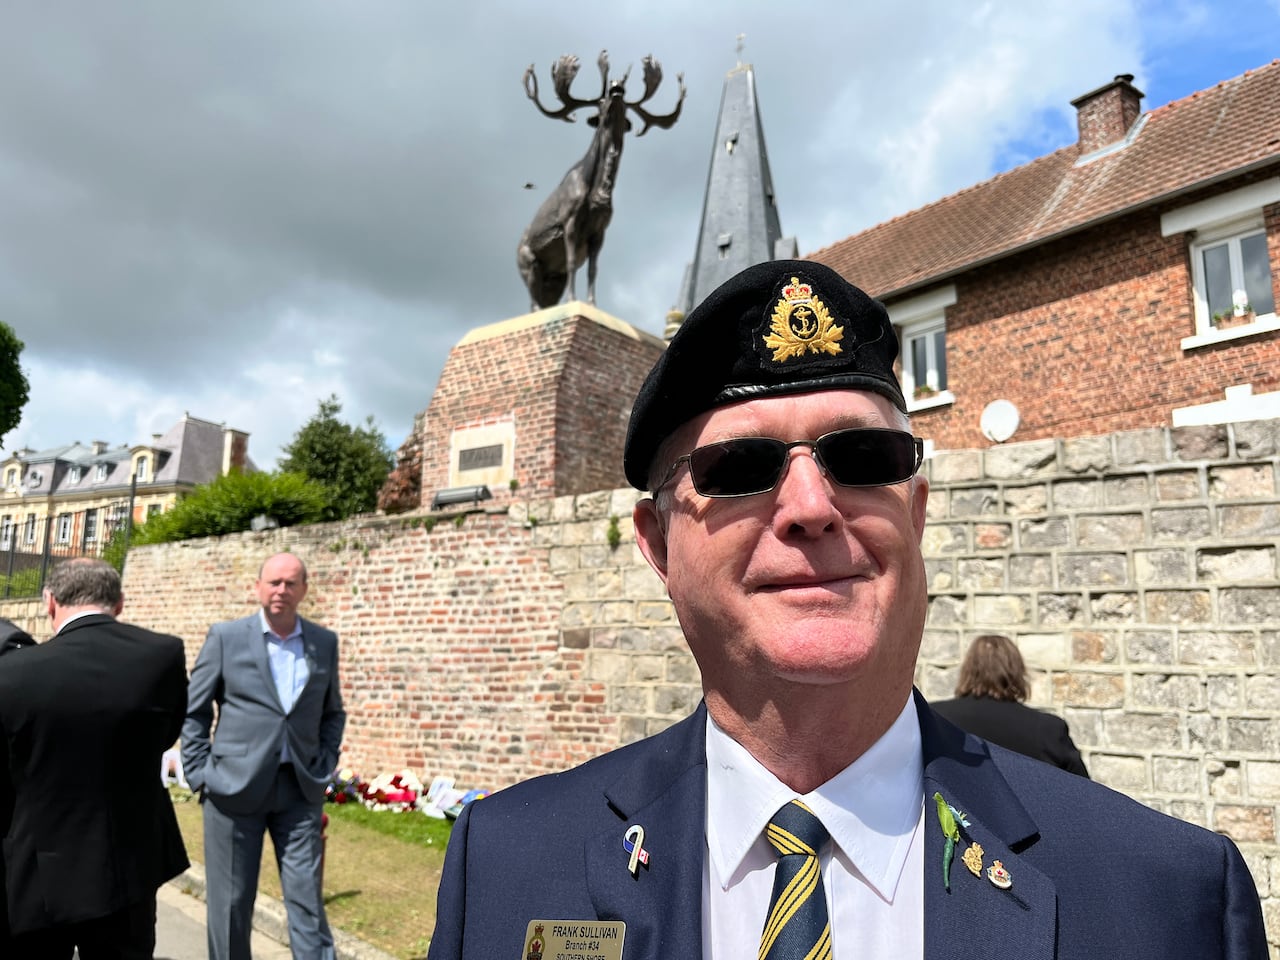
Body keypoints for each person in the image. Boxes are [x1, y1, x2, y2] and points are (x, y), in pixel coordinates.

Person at [426, 260, 1266, 959]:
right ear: (656, 541)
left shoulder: (1169, 900)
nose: (811, 505)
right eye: (741, 464)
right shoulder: (504, 867)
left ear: (918, 512)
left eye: (863, 456)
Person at [0, 557, 188, 958]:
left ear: (49, 603)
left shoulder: (13, 671)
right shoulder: (163, 655)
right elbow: (165, 735)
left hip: (38, 870)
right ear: (119, 603)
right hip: (130, 862)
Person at [182, 552, 346, 960]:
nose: (282, 591)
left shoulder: (323, 643)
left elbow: (333, 712)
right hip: (233, 791)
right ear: (258, 587)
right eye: (274, 582)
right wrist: (200, 772)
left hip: (298, 790)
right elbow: (195, 710)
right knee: (232, 906)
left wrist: (324, 762)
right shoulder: (226, 637)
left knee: (307, 905)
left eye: (291, 583)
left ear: (304, 590)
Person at [931, 634, 1089, 777]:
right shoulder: (1048, 729)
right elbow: (1083, 791)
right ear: (1017, 672)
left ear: (968, 670)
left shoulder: (935, 716)